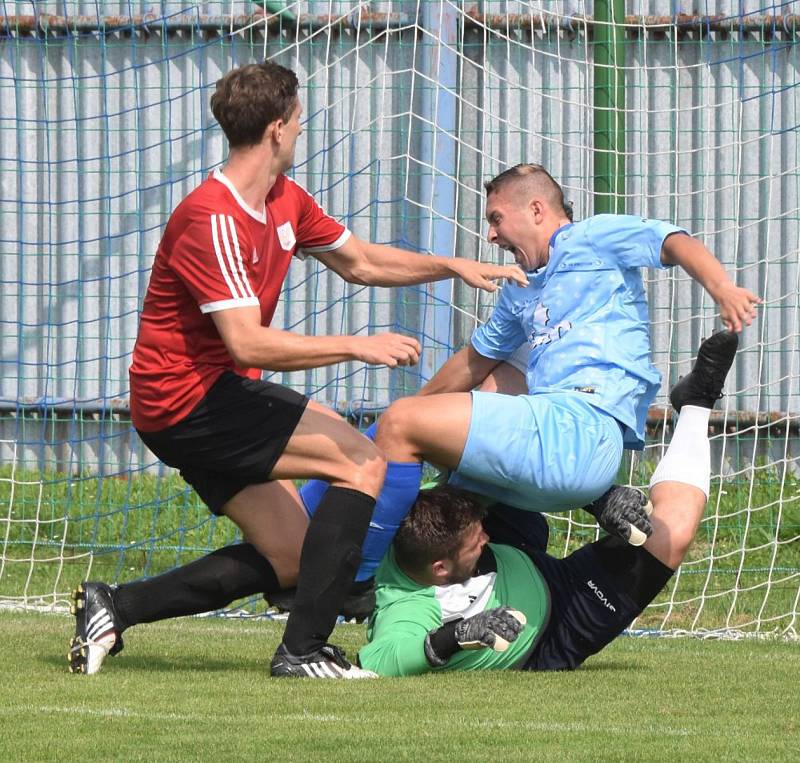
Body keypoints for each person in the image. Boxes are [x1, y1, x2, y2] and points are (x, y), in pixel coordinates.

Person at [67, 61, 527, 680]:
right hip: (188, 403)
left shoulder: (283, 199)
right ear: (279, 128)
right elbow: (248, 344)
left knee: (290, 556)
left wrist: (452, 265)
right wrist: (355, 346)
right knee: (362, 461)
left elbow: (360, 261)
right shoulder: (213, 218)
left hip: (204, 400)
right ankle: (304, 651)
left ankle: (115, 606)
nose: (303, 131)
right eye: (301, 120)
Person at [296, 164, 760, 582]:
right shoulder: (520, 291)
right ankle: (320, 564)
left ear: (537, 210)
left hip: (582, 426)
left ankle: (347, 583)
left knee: (405, 423)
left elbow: (673, 241)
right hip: (550, 448)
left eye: (496, 219)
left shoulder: (592, 236)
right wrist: (401, 422)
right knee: (439, 492)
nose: (492, 236)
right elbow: (473, 360)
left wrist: (722, 288)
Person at [357, 331, 739, 674]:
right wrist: (456, 636)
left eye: (480, 532)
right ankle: (696, 403)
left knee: (492, 429)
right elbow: (380, 659)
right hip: (555, 623)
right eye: (477, 542)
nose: (485, 538)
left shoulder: (420, 519)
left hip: (520, 553)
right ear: (440, 569)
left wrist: (597, 497)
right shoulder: (407, 606)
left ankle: (541, 342)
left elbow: (516, 471)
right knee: (673, 530)